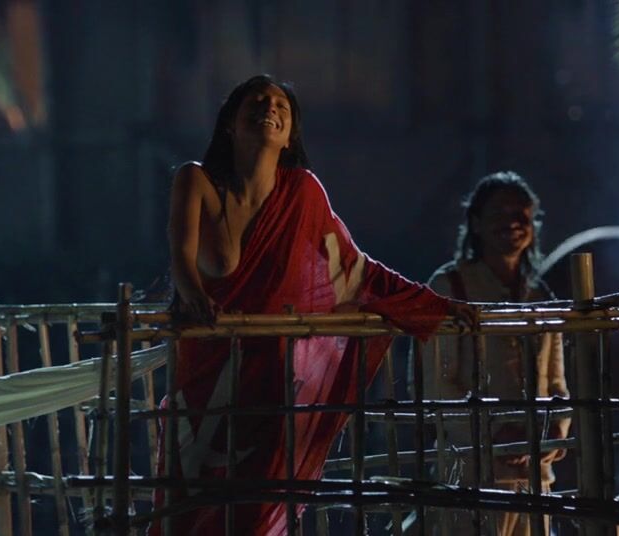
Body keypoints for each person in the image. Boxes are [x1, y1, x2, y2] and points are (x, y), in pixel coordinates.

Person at [156, 74, 476, 535]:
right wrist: (192, 296)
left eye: (281, 106)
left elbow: (354, 271)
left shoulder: (303, 192)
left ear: (289, 136)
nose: (269, 108)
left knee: (254, 511)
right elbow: (181, 257)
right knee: (188, 506)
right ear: (230, 122)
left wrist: (432, 305)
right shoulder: (196, 179)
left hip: (270, 376)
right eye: (256, 100)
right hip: (207, 365)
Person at [411, 171, 567, 535]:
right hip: (470, 471)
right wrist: (496, 433)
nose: (511, 223)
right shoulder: (450, 288)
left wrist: (551, 434)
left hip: (535, 473)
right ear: (476, 223)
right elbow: (437, 383)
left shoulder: (540, 295)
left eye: (520, 214)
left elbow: (558, 384)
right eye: (498, 213)